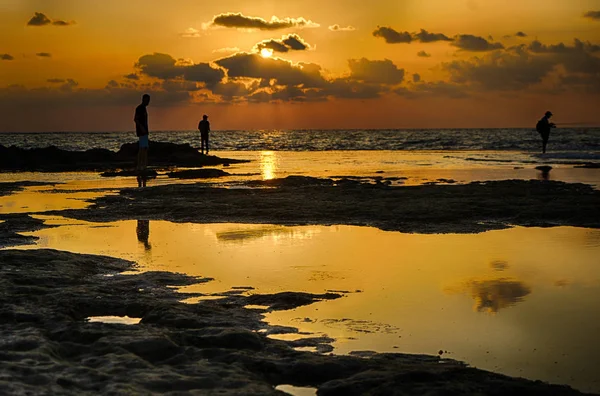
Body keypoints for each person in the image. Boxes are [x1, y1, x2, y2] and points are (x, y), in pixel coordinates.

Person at [134, 94, 151, 171]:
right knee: (142, 149)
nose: (148, 102)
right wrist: (141, 128)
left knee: (144, 148)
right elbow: (136, 119)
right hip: (142, 131)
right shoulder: (139, 108)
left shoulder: (144, 108)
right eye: (147, 100)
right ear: (143, 99)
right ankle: (140, 165)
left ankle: (143, 165)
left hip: (145, 131)